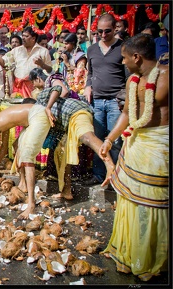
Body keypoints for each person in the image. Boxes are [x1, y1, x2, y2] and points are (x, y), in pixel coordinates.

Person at [100, 33, 169, 282]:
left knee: (154, 203)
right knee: (130, 200)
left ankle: (152, 259)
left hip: (160, 145)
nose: (122, 62)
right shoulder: (133, 80)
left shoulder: (166, 77)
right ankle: (128, 255)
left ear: (137, 57)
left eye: (125, 58)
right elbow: (128, 114)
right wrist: (109, 139)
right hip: (136, 144)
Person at [30, 69, 115, 200]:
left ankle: (110, 166)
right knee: (64, 156)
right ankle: (66, 190)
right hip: (68, 123)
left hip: (77, 112)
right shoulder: (39, 111)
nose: (34, 86)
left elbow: (59, 89)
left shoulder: (43, 97)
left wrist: (48, 107)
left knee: (87, 137)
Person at [83, 13, 127, 186]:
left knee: (115, 141)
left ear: (115, 28)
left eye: (107, 31)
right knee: (97, 139)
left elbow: (128, 76)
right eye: (99, 31)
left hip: (115, 101)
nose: (102, 34)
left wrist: (123, 98)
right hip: (97, 101)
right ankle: (99, 175)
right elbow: (90, 73)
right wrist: (88, 86)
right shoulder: (92, 49)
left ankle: (115, 176)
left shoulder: (123, 48)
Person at [0, 99, 39, 184]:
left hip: (36, 116)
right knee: (16, 145)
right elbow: (4, 148)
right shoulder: (2, 121)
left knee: (25, 152)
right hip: (34, 115)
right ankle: (22, 181)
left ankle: (26, 185)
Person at [0, 26, 52, 99]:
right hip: (18, 88)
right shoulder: (16, 50)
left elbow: (50, 70)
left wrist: (42, 64)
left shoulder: (43, 51)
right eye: (22, 36)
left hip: (35, 89)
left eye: (26, 36)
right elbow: (4, 63)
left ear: (33, 38)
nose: (23, 38)